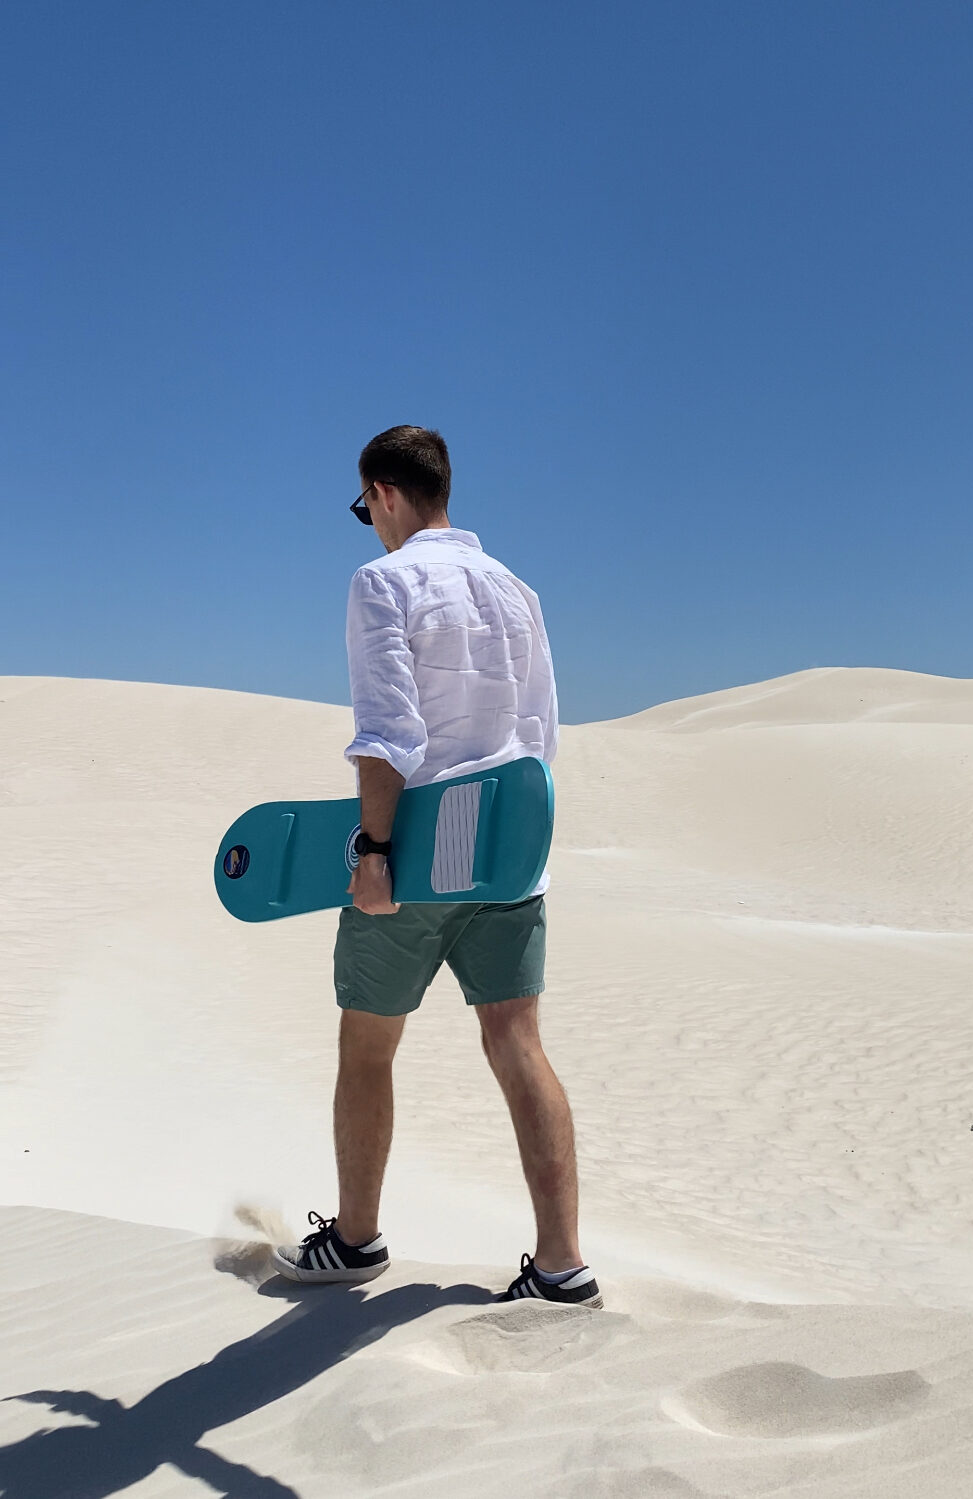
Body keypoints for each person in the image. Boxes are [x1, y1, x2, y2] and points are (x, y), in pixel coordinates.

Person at [272, 425, 601, 1309]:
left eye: (362, 507)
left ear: (381, 491)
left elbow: (385, 728)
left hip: (420, 854)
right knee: (517, 1041)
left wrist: (375, 850)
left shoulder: (384, 580)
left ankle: (354, 1239)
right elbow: (540, 732)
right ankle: (563, 1265)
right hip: (506, 858)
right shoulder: (517, 590)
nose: (366, 523)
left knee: (369, 1042)